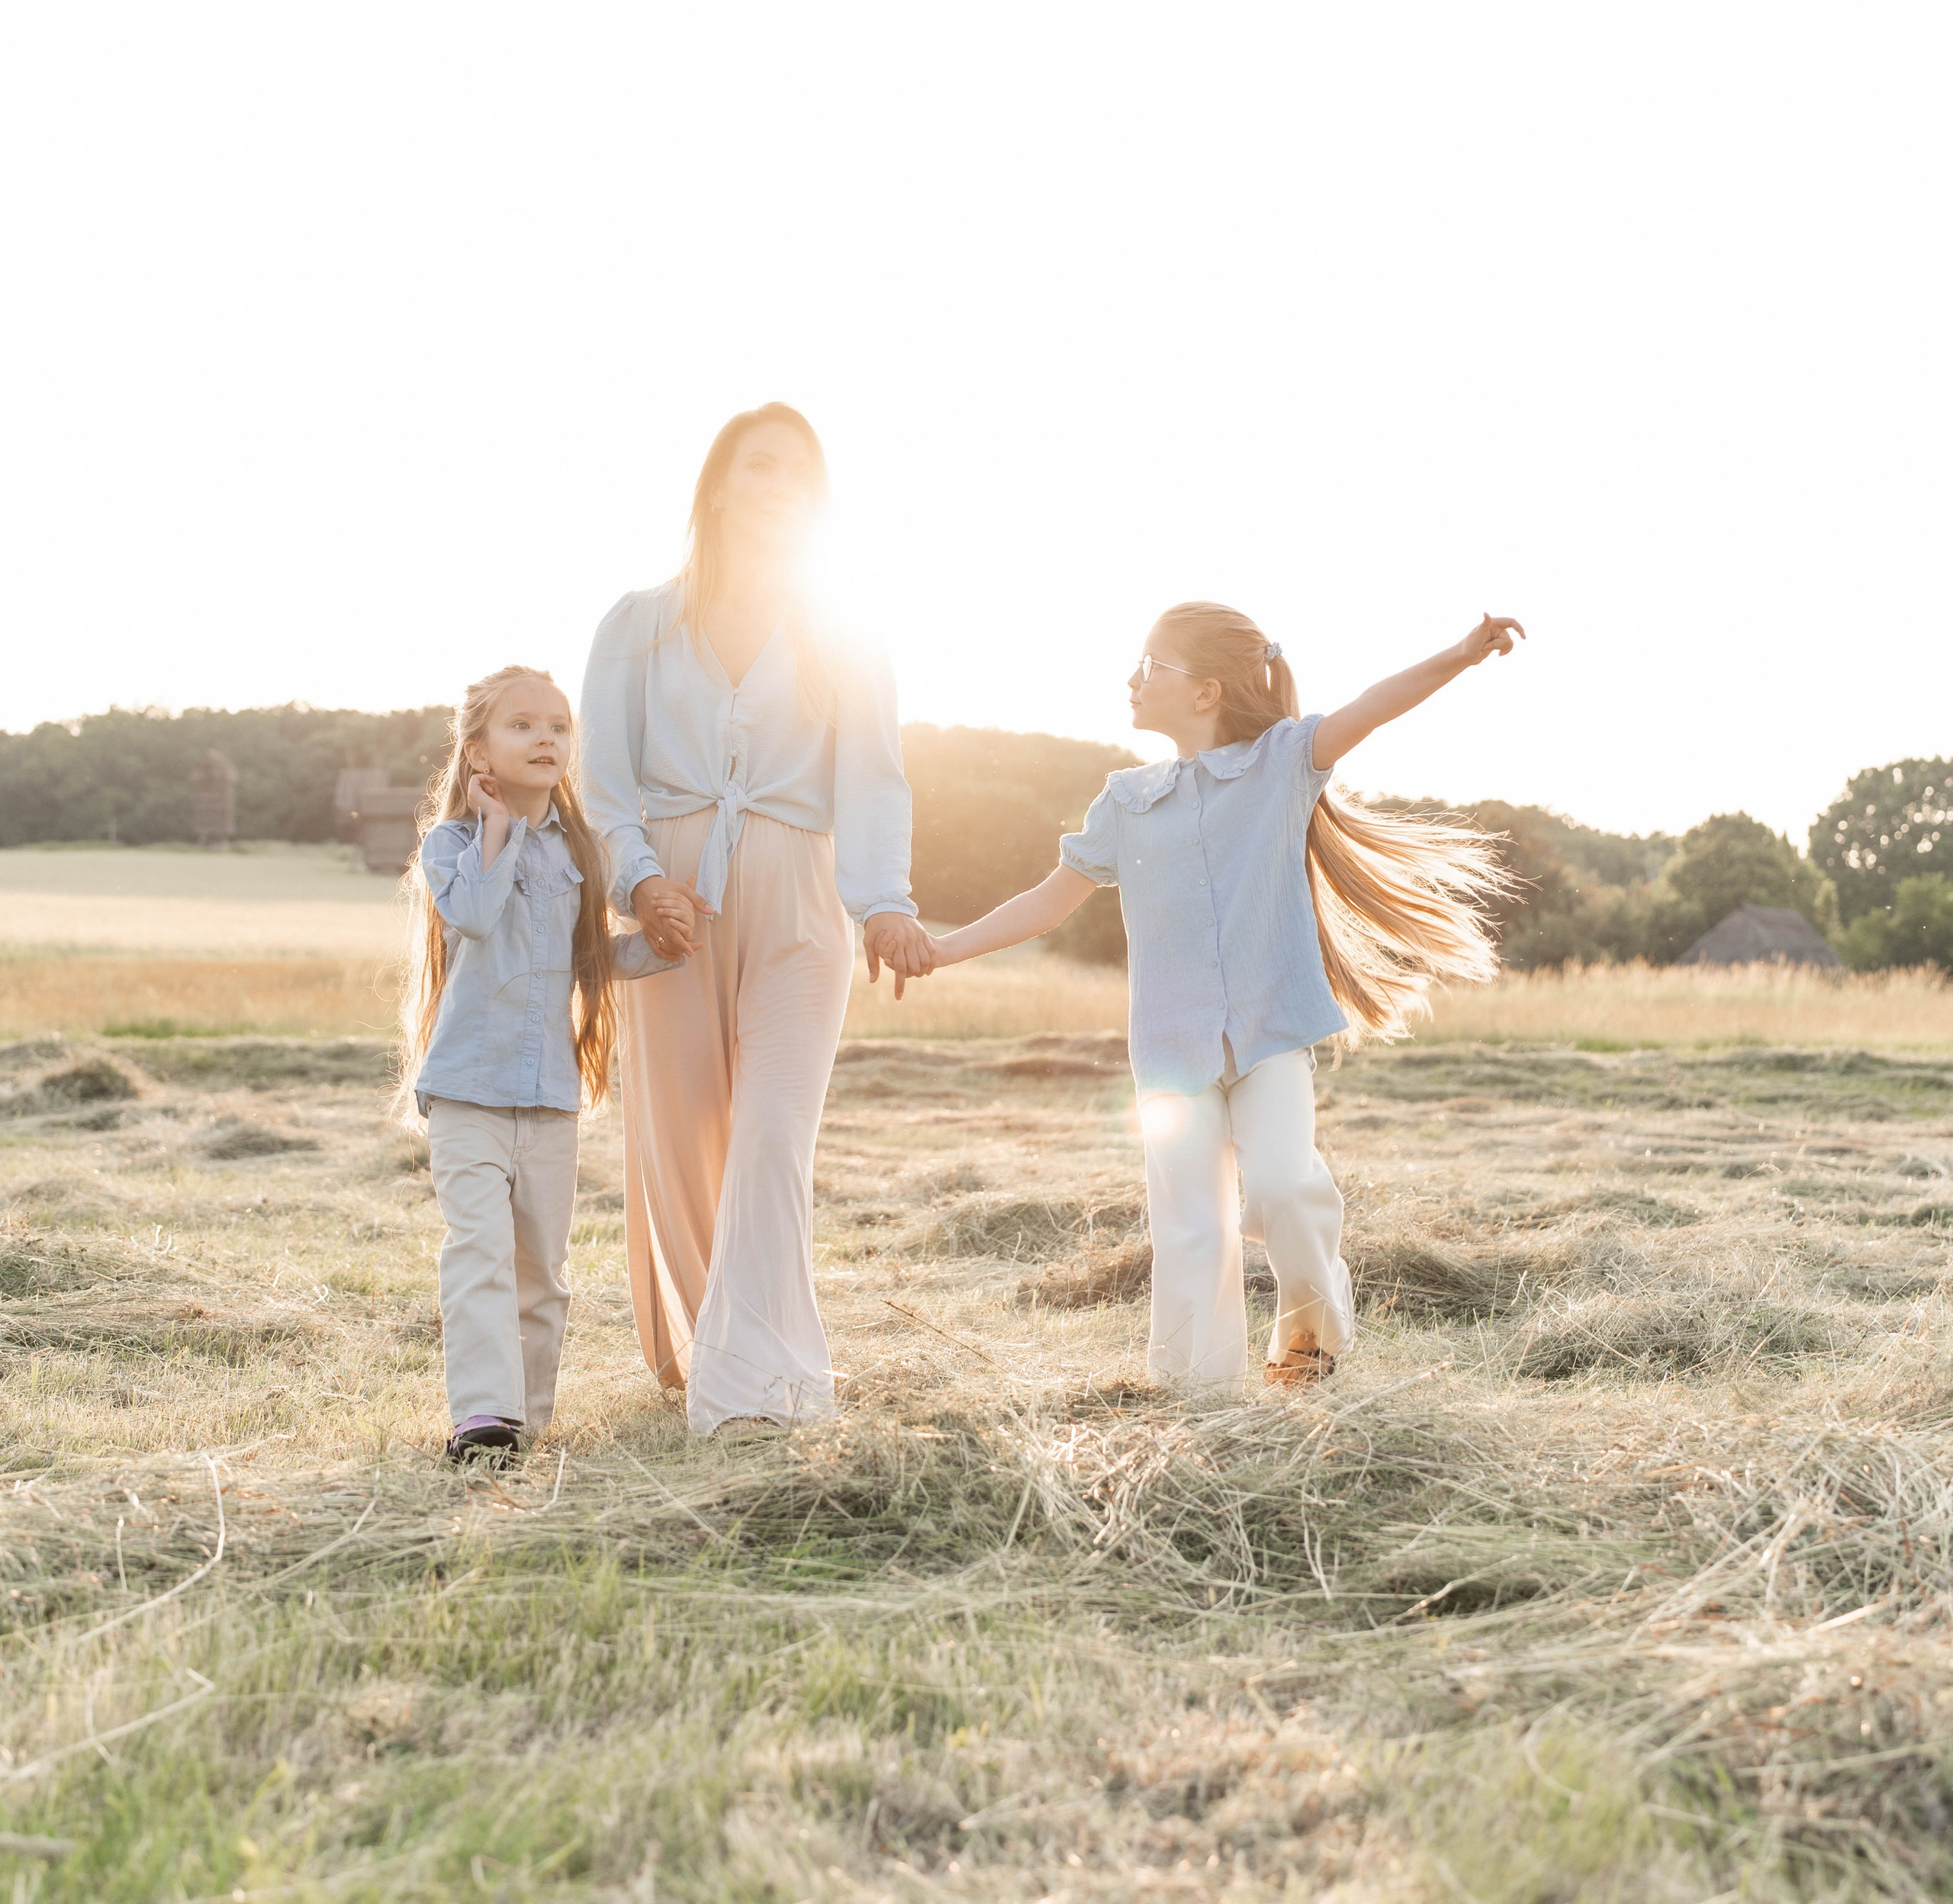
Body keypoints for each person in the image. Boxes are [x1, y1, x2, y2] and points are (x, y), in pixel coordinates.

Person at [922, 603, 1523, 1388]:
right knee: (1193, 1230)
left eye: (1150, 666)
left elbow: (1372, 708)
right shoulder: (1126, 802)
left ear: (1205, 691)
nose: (1131, 680)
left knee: (1280, 1185)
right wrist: (942, 950)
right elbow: (1045, 903)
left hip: (1270, 1037)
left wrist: (1460, 654)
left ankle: (1310, 1343)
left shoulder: (1282, 764)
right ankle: (1195, 1400)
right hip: (1173, 1055)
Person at [579, 404, 936, 1435]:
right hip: (671, 898)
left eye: (801, 475)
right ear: (721, 486)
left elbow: (875, 779)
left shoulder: (848, 634)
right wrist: (642, 882)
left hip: (800, 893)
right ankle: (707, 1355)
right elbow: (605, 778)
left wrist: (882, 903)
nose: (781, 487)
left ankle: (761, 1390)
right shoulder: (637, 624)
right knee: (684, 1139)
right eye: (762, 467)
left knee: (774, 1136)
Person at [398, 666, 664, 1463]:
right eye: (522, 726)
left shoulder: (582, 851)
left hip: (549, 1097)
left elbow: (590, 959)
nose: (546, 736)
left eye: (558, 725)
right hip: (469, 1093)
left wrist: (666, 942)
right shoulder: (451, 845)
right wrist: (494, 829)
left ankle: (528, 1422)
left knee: (542, 1276)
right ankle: (485, 1419)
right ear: (477, 749)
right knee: (476, 1252)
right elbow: (476, 916)